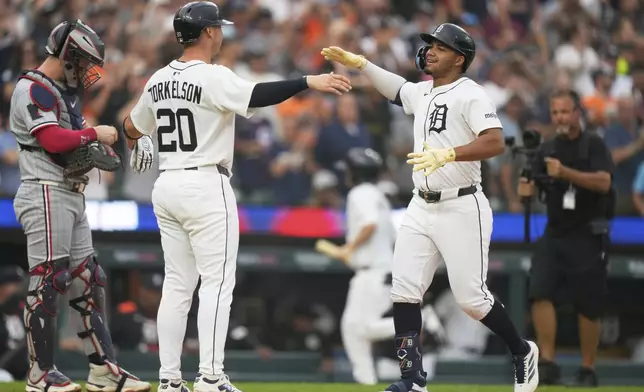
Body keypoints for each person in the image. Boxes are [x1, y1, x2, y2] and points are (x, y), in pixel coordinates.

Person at [121, 2, 351, 392]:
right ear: (209, 32)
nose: (222, 33)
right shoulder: (211, 76)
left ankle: (169, 379)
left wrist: (139, 138)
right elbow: (258, 94)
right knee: (216, 283)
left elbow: (129, 124)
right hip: (205, 183)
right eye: (218, 28)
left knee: (178, 285)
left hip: (169, 183)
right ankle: (210, 377)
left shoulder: (157, 79)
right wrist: (306, 82)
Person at [322, 22, 539, 392]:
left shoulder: (471, 93)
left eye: (440, 46)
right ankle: (412, 379)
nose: (430, 51)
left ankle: (521, 351)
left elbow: (495, 143)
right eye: (430, 45)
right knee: (403, 292)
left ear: (459, 58)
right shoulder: (423, 92)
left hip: (462, 204)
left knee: (471, 299)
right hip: (421, 206)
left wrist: (451, 153)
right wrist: (361, 64)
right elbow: (397, 89)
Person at [9, 19, 149, 392]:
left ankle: (103, 369)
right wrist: (92, 134)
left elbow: (70, 145)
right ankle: (40, 374)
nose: (87, 70)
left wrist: (91, 149)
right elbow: (54, 140)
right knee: (49, 279)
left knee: (88, 278)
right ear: (69, 55)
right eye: (84, 61)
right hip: (44, 190)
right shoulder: (32, 88)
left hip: (69, 191)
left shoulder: (60, 92)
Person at [518, 89, 615, 387]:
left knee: (588, 302)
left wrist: (566, 173)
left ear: (577, 113)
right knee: (540, 290)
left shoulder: (594, 144)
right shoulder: (547, 148)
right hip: (555, 230)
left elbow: (604, 182)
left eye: (564, 111)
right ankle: (548, 361)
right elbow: (531, 188)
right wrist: (526, 187)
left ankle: (588, 367)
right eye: (555, 112)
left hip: (587, 232)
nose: (559, 117)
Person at [333, 147, 397, 385]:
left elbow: (369, 224)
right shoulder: (378, 195)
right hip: (378, 270)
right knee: (352, 328)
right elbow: (390, 235)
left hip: (373, 272)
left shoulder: (359, 193)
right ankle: (366, 382)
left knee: (362, 329)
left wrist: (349, 248)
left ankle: (419, 322)